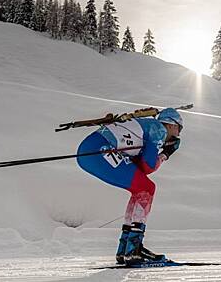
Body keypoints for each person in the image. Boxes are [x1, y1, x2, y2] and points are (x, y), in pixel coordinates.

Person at [76, 107, 183, 265]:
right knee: (147, 188)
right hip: (99, 150)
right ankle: (133, 249)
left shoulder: (146, 127)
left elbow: (140, 171)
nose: (179, 134)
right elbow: (148, 166)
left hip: (92, 149)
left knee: (141, 188)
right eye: (180, 128)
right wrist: (165, 154)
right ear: (171, 125)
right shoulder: (158, 128)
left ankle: (126, 248)